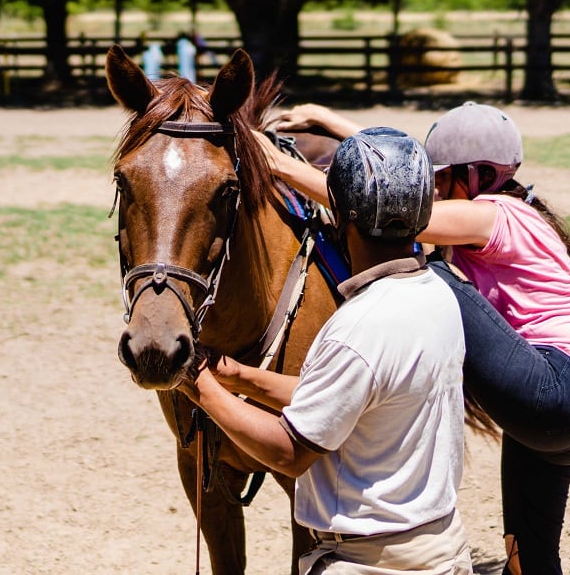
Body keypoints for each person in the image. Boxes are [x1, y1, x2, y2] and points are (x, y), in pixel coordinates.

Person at [255, 102, 570, 575]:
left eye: (442, 178)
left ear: (478, 175)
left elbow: (389, 202)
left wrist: (276, 163)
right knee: (529, 562)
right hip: (568, 410)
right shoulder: (515, 210)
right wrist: (329, 120)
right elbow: (400, 174)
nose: (433, 187)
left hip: (552, 391)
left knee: (425, 270)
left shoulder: (494, 215)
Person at [180, 127, 474, 574]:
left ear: (338, 216)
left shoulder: (355, 328)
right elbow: (346, 392)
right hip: (441, 549)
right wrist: (240, 377)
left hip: (370, 562)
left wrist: (199, 386)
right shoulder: (438, 296)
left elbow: (288, 453)